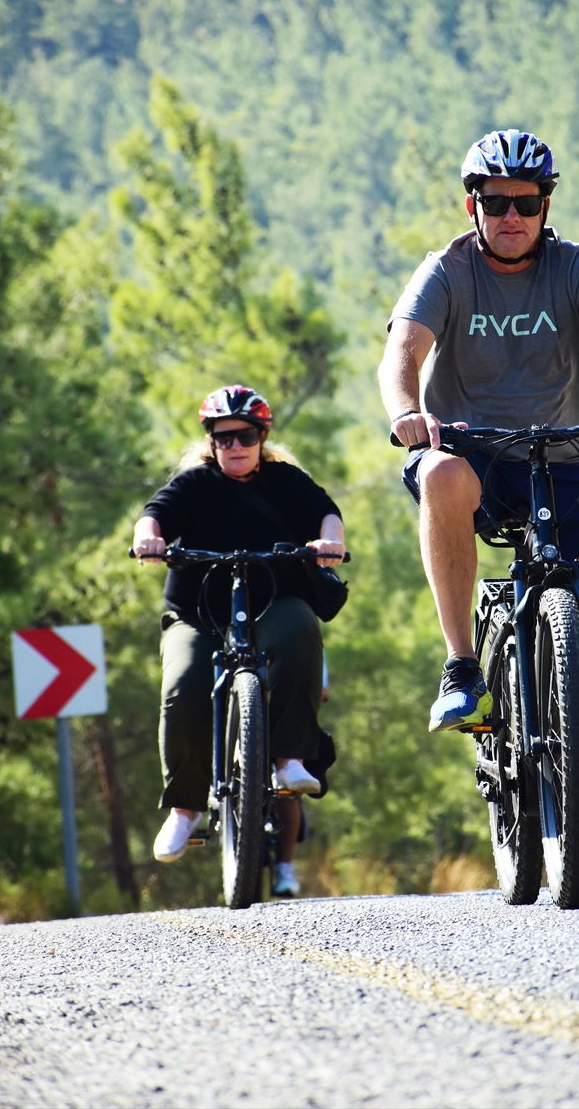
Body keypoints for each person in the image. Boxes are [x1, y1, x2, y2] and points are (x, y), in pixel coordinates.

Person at [378, 129, 579, 863]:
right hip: (473, 453)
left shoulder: (574, 266)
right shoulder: (446, 270)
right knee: (442, 475)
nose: (511, 215)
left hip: (566, 455)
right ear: (472, 204)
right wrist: (405, 413)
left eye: (527, 202)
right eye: (496, 202)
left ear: (546, 205)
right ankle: (460, 667)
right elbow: (402, 352)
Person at [132, 384, 345, 896]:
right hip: (199, 612)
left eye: (244, 435)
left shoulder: (284, 481)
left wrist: (330, 540)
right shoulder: (195, 483)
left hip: (274, 601)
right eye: (222, 437)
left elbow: (324, 510)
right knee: (182, 684)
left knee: (299, 633)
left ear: (261, 435)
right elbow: (156, 510)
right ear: (210, 441)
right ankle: (185, 808)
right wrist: (148, 535)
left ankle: (288, 759)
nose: (234, 445)